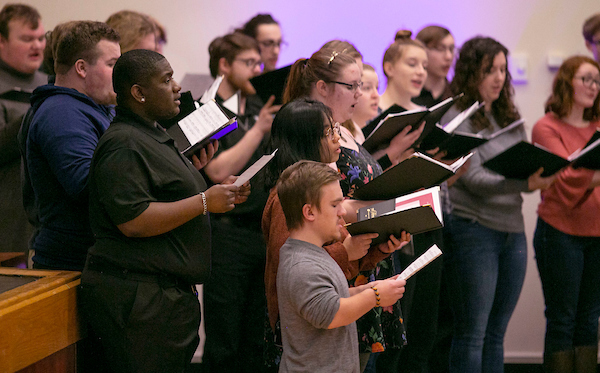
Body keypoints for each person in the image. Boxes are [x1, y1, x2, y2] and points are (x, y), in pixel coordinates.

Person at [80, 48, 248, 373]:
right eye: (166, 80)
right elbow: (132, 220)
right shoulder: (123, 143)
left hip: (162, 299)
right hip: (140, 300)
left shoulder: (152, 133)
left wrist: (204, 184)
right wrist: (203, 201)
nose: (178, 89)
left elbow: (164, 192)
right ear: (139, 93)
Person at [262, 99, 407, 370]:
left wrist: (379, 250)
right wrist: (372, 291)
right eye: (329, 132)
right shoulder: (290, 199)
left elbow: (333, 274)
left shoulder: (322, 189)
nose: (337, 138)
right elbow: (309, 282)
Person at [443, 36, 556, 373]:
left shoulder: (508, 113)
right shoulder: (456, 116)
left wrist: (537, 172)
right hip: (473, 231)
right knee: (472, 333)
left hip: (512, 230)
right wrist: (526, 183)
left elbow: (520, 160)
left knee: (496, 333)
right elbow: (473, 180)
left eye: (502, 70)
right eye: (488, 69)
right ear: (469, 73)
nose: (498, 77)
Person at [275, 159, 407, 373]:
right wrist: (376, 295)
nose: (342, 212)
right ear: (309, 212)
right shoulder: (301, 265)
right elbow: (333, 313)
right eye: (335, 205)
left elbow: (334, 296)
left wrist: (370, 288)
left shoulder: (315, 252)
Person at [202, 31, 279, 373]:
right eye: (249, 63)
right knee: (225, 337)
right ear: (224, 65)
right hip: (227, 234)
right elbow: (217, 170)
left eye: (258, 63)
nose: (257, 70)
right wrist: (259, 130)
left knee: (256, 336)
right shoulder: (207, 109)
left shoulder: (257, 106)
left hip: (260, 231)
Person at [24, 21, 120, 271]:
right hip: (73, 266)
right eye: (112, 65)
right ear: (81, 68)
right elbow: (87, 184)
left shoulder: (96, 107)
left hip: (92, 260)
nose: (121, 73)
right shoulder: (62, 113)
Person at [531, 55, 600, 373]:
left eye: (597, 81)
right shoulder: (547, 126)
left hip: (596, 233)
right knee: (563, 320)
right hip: (559, 234)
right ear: (566, 81)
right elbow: (564, 177)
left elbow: (577, 172)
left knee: (589, 320)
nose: (593, 86)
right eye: (586, 78)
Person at [0, 3, 46, 255]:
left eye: (41, 38)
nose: (37, 46)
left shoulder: (49, 80)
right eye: (27, 39)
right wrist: (39, 112)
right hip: (8, 221)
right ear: (1, 41)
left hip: (44, 216)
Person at [413, 25, 455, 107]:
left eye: (451, 49)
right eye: (441, 49)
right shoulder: (410, 95)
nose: (448, 56)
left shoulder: (457, 94)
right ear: (423, 51)